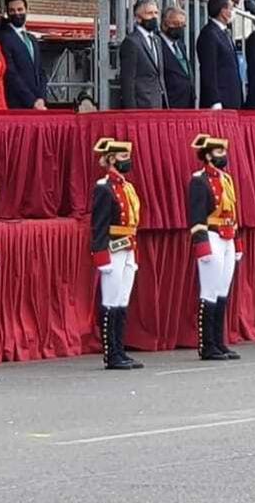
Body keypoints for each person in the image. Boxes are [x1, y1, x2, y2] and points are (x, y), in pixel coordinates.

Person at [187, 134, 242, 360]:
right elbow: (196, 216)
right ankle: (206, 344)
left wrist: (237, 242)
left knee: (222, 291)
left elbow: (233, 212)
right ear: (208, 155)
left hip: (227, 236)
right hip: (211, 235)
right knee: (209, 292)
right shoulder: (199, 180)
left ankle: (219, 341)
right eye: (219, 152)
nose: (223, 156)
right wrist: (201, 245)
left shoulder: (226, 179)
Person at [91, 137, 144, 370]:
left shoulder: (126, 186)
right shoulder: (104, 187)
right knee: (111, 301)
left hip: (128, 247)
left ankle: (120, 349)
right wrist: (101, 256)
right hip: (113, 247)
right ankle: (110, 353)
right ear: (111, 159)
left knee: (122, 300)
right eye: (123, 157)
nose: (127, 161)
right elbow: (99, 225)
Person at [0, 0, 48, 109]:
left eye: (20, 9)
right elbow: (11, 73)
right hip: (17, 104)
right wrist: (31, 101)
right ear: (7, 13)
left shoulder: (32, 39)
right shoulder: (3, 37)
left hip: (39, 103)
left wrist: (42, 98)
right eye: (12, 11)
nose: (17, 13)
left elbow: (41, 71)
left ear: (26, 10)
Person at [117, 0, 167, 109]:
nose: (154, 17)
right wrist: (131, 111)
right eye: (149, 13)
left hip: (158, 103)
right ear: (138, 18)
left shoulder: (157, 40)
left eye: (156, 13)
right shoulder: (131, 42)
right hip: (141, 105)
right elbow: (128, 81)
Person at [197, 0, 244, 109]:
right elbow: (209, 70)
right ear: (223, 11)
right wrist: (214, 100)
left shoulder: (224, 32)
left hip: (232, 98)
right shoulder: (209, 34)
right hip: (220, 101)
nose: (233, 12)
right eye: (231, 8)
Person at [159, 6, 195, 108]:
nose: (179, 27)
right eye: (175, 24)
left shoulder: (180, 45)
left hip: (186, 101)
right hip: (169, 102)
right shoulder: (157, 44)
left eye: (182, 25)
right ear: (164, 24)